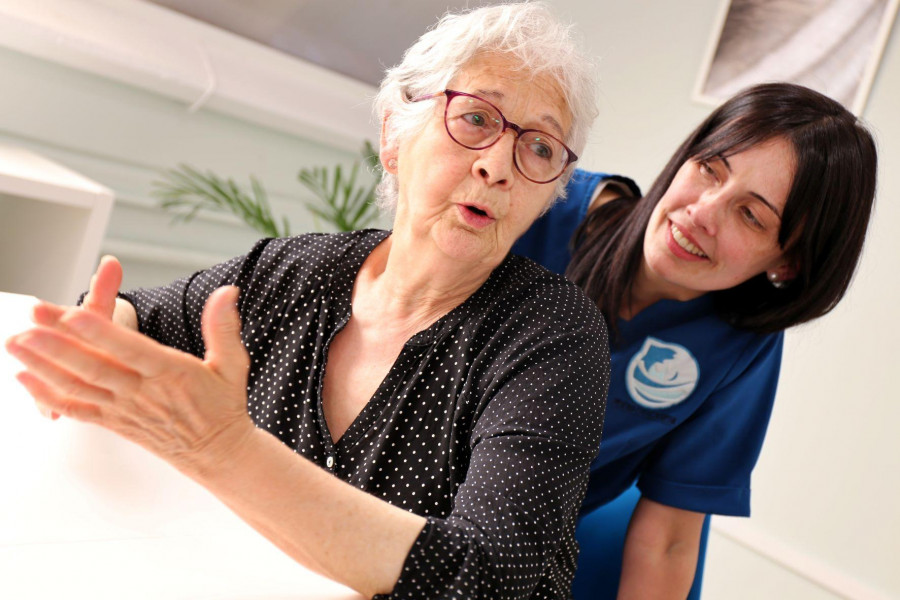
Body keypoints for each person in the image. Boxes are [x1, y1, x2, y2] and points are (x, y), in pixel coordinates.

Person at [5, 4, 608, 599]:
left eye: (539, 148)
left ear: (550, 191)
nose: (499, 165)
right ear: (394, 138)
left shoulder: (556, 336)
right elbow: (135, 312)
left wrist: (223, 450)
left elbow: (487, 578)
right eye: (476, 118)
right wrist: (96, 338)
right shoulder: (301, 271)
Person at [512, 81, 878, 599]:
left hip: (509, 565)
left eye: (750, 215)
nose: (702, 213)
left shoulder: (739, 349)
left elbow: (668, 540)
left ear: (787, 263)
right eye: (711, 169)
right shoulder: (541, 205)